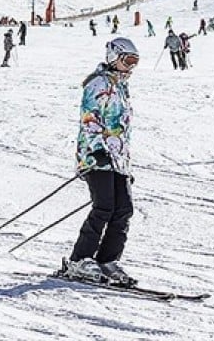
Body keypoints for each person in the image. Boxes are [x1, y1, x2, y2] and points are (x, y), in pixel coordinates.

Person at [60, 37, 139, 287]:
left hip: (118, 160)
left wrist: (125, 164)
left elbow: (122, 127)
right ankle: (79, 259)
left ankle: (107, 260)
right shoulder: (98, 83)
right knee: (104, 207)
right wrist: (97, 150)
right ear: (114, 57)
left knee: (124, 209)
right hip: (96, 156)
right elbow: (90, 118)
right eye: (128, 60)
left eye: (135, 62)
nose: (131, 67)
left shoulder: (121, 86)